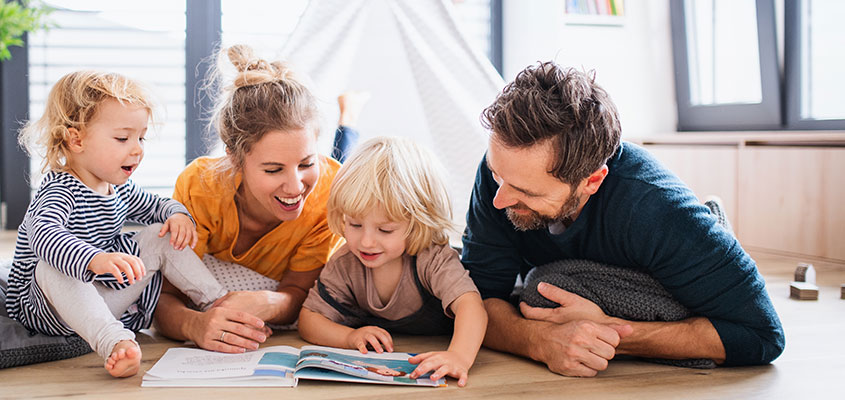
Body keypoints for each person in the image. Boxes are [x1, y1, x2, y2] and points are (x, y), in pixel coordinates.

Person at [461, 61, 784, 377]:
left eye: (526, 191)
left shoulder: (659, 211)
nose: (499, 199)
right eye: (496, 174)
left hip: (664, 256)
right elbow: (476, 299)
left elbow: (762, 336)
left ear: (592, 180)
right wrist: (537, 341)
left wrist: (611, 334)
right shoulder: (505, 174)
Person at [6, 71, 227, 378]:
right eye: (123, 138)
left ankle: (218, 301)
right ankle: (115, 341)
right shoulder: (59, 191)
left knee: (158, 234)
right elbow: (43, 236)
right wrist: (94, 259)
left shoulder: (117, 187)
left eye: (141, 137)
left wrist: (177, 215)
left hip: (101, 298)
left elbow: (156, 205)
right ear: (77, 139)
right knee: (50, 266)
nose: (137, 149)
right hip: (49, 308)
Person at [153, 45, 344, 353]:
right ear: (235, 159)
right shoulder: (201, 187)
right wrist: (194, 325)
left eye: (307, 164)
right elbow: (163, 295)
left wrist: (272, 301)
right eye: (273, 169)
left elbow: (300, 292)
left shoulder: (328, 192)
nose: (296, 187)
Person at [298, 137, 487, 387]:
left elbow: (472, 307)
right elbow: (309, 319)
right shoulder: (346, 262)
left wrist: (459, 356)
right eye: (354, 224)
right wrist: (349, 337)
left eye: (385, 230)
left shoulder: (432, 257)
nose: (366, 242)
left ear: (417, 224)